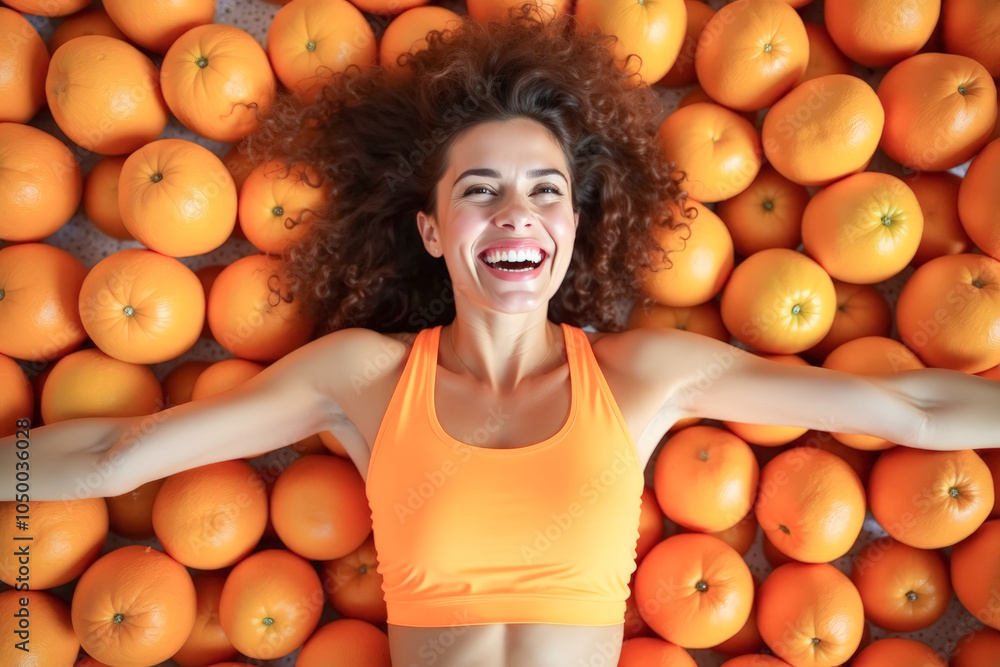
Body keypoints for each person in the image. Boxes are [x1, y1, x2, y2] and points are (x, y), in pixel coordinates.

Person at [2, 5, 999, 666]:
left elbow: (904, 407)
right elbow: (116, 452)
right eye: (480, 192)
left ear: (573, 229)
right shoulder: (363, 377)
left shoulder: (647, 374)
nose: (516, 214)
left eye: (544, 193)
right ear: (434, 230)